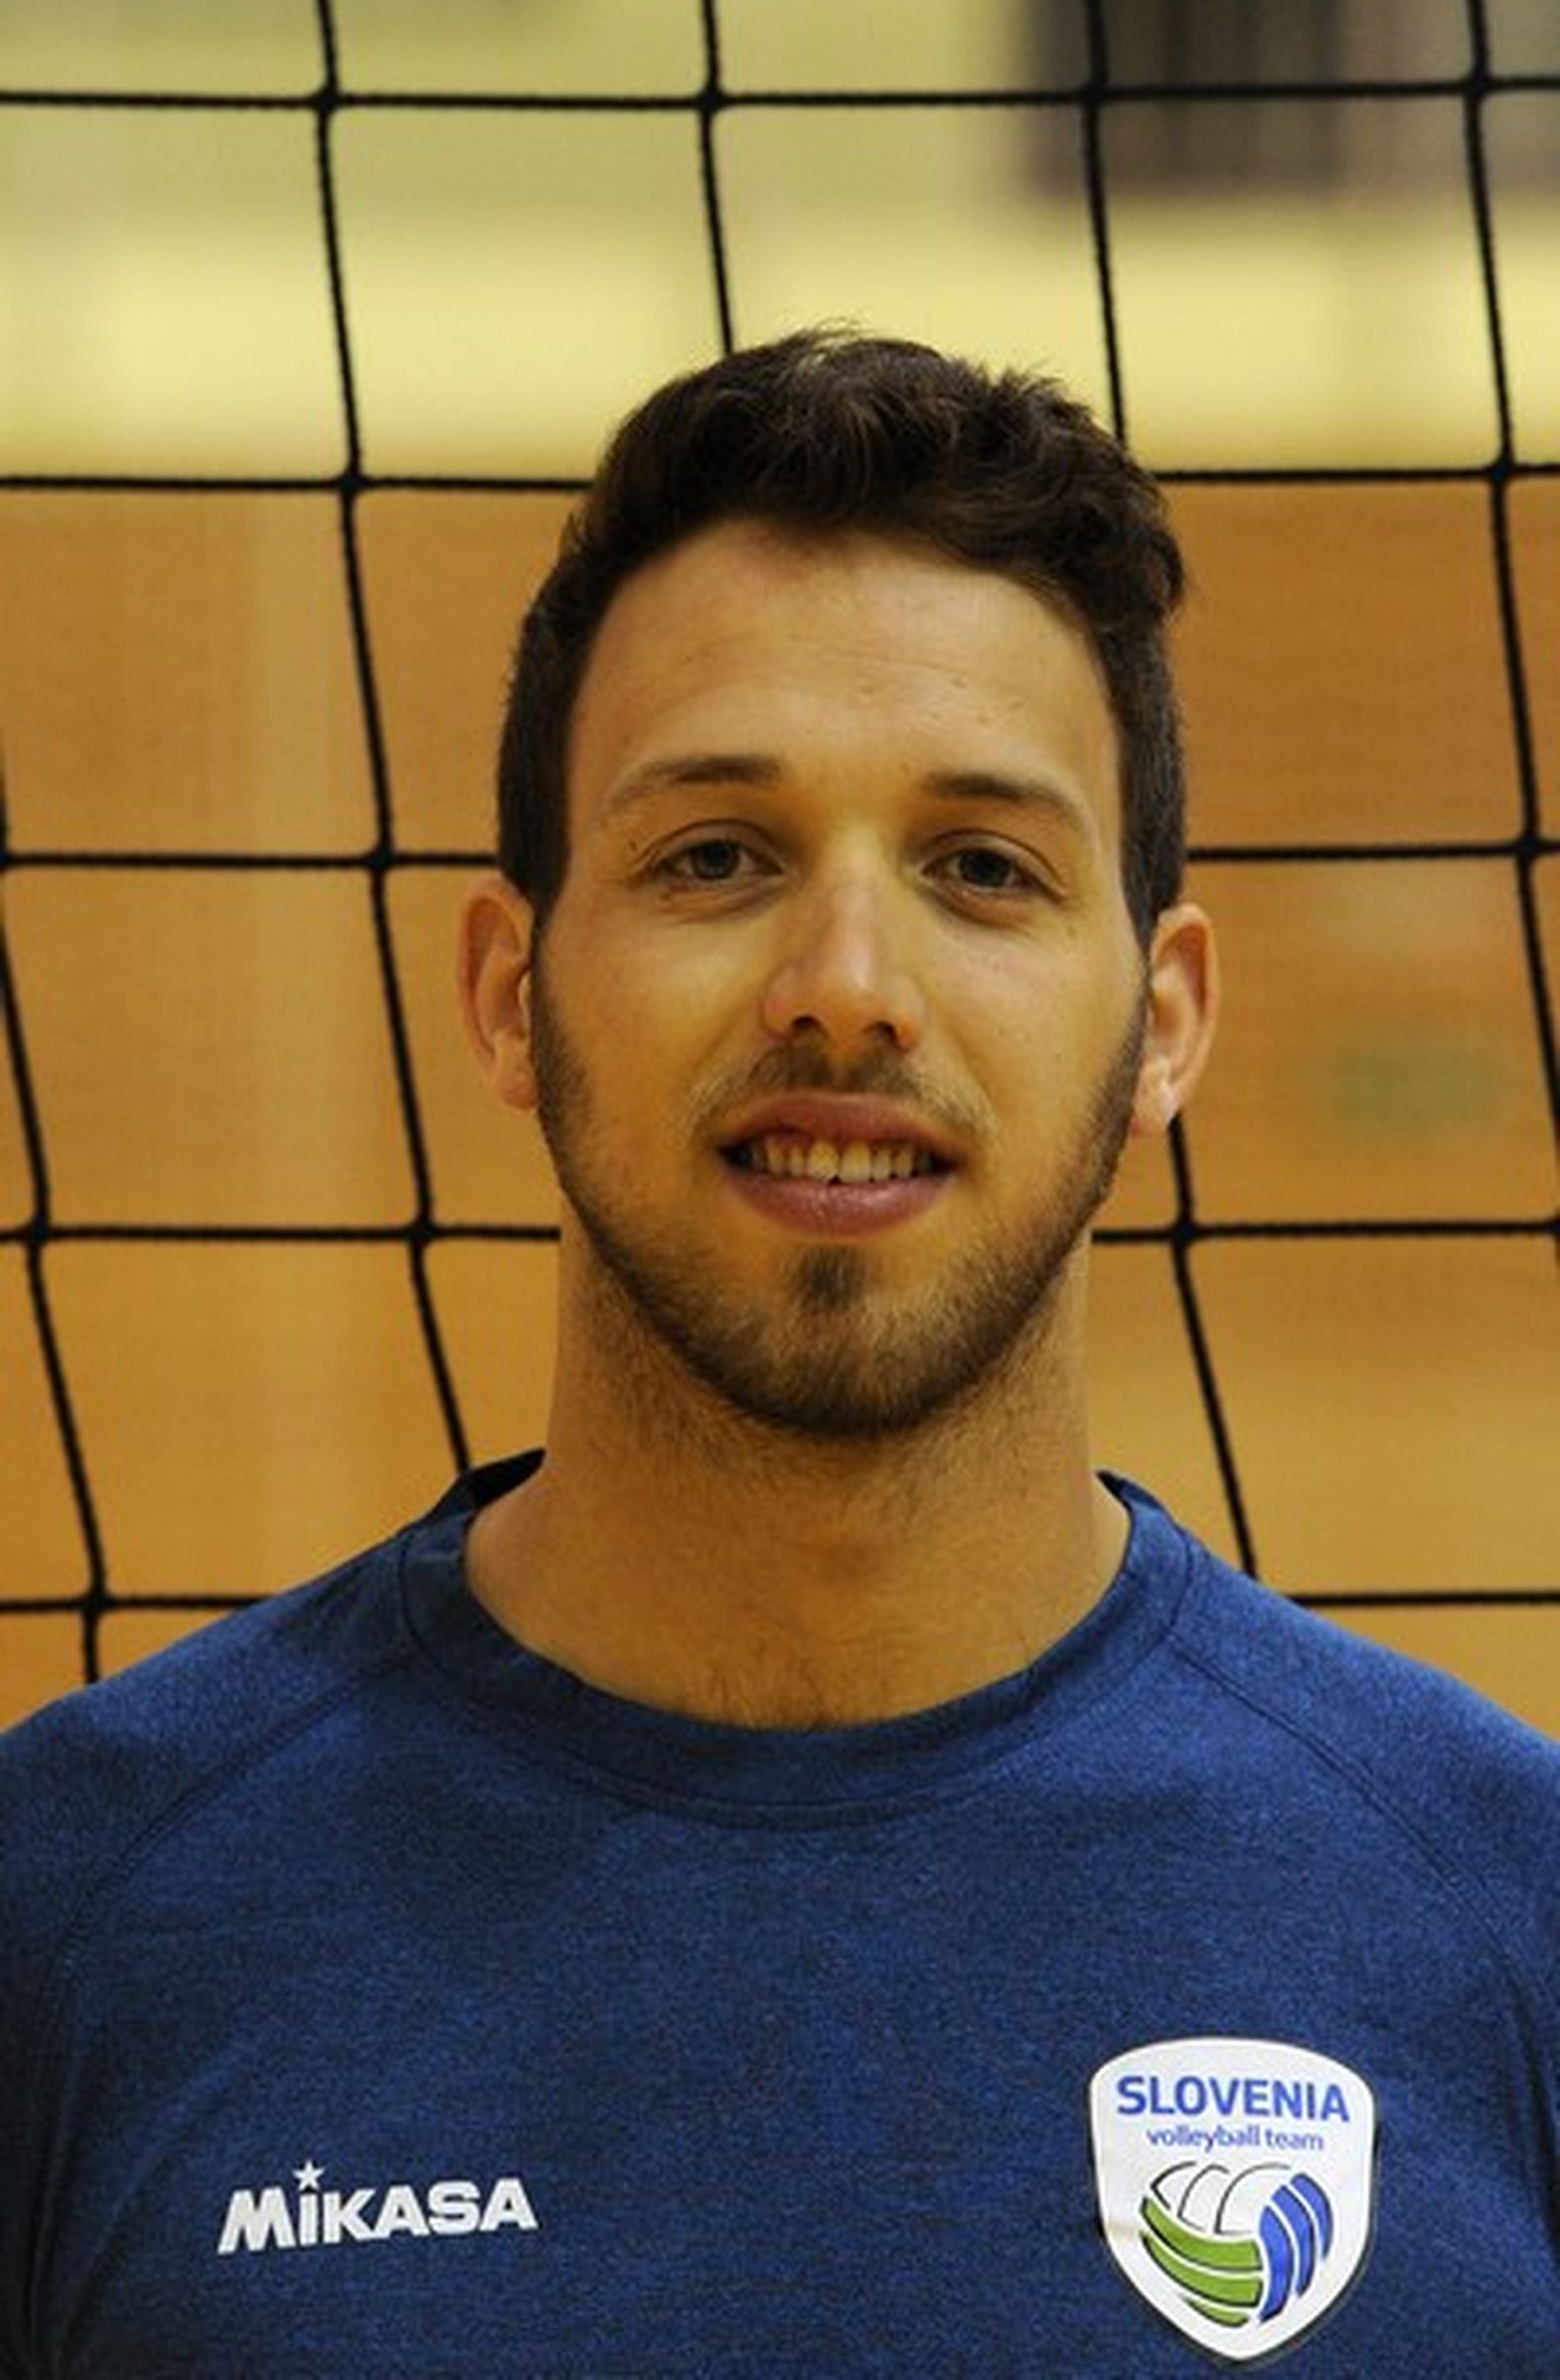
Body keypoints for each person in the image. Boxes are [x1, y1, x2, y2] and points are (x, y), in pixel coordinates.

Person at [0, 329, 1555, 2377]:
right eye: (715, 855)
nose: (846, 987)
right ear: (508, 991)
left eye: (983, 867)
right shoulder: (69, 1913)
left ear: (1162, 1022)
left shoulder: (1507, 1907)